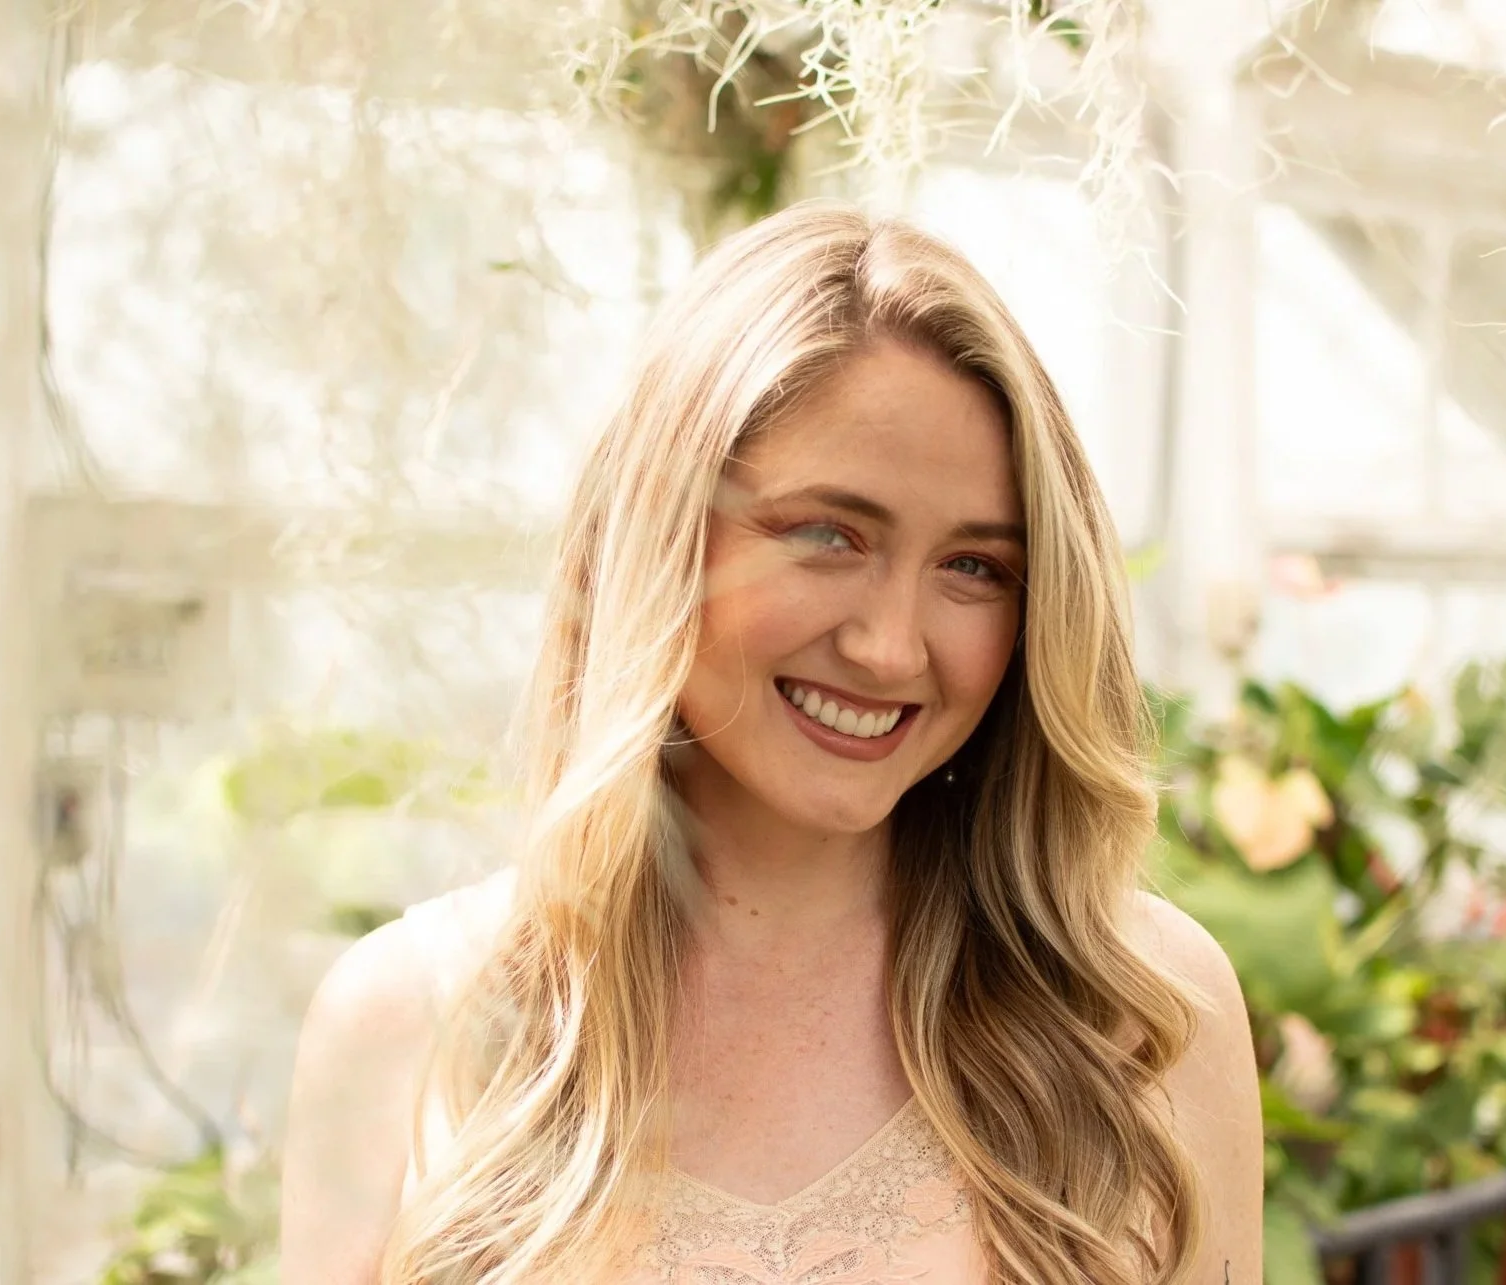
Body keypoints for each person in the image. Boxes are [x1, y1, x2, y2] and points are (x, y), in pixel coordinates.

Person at [280, 200, 1262, 1285]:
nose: (890, 648)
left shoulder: (1138, 1013)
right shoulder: (409, 1020)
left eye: (973, 567)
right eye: (828, 535)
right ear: (662, 540)